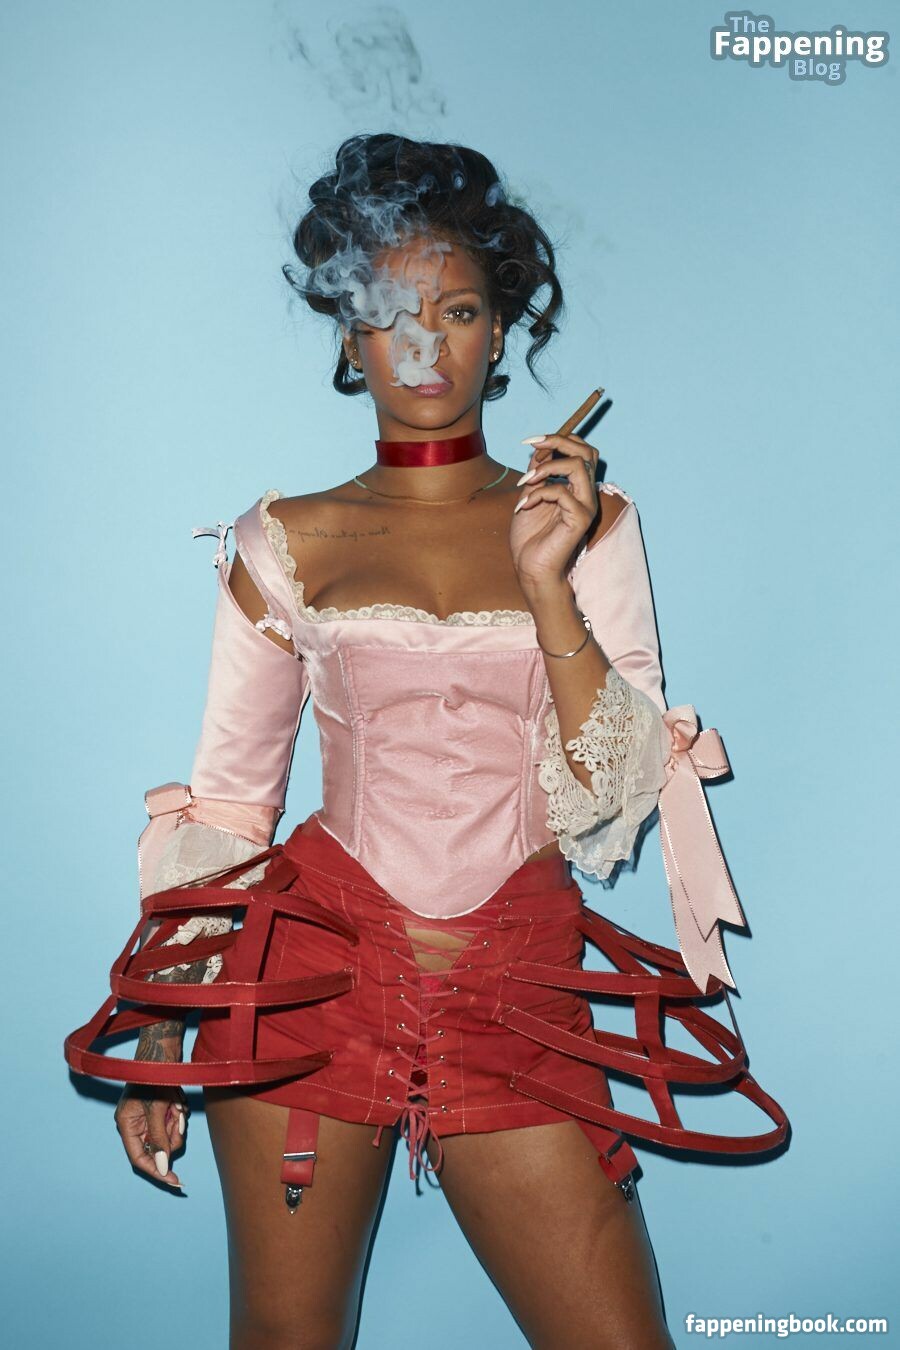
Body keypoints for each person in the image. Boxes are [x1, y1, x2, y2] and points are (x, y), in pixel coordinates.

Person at [65, 134, 789, 1350]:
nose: (423, 347)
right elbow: (233, 806)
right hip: (306, 987)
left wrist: (548, 585)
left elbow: (612, 806)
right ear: (349, 338)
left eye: (456, 311)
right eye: (389, 315)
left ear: (500, 334)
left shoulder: (591, 525)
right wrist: (163, 1013)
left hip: (519, 994)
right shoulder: (280, 539)